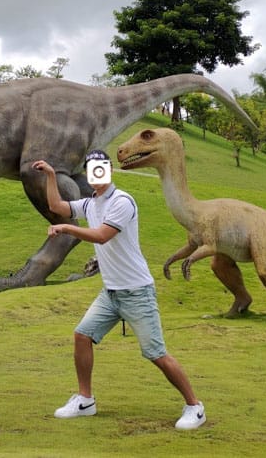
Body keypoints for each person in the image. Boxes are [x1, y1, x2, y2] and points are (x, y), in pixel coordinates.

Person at [32, 150, 207, 431]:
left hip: (137, 291)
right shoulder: (90, 203)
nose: (96, 175)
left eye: (100, 169)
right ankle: (85, 400)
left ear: (109, 170)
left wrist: (67, 228)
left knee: (156, 353)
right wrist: (52, 175)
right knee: (82, 335)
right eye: (92, 170)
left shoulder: (122, 201)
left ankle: (194, 406)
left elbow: (102, 236)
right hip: (110, 292)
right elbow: (56, 205)